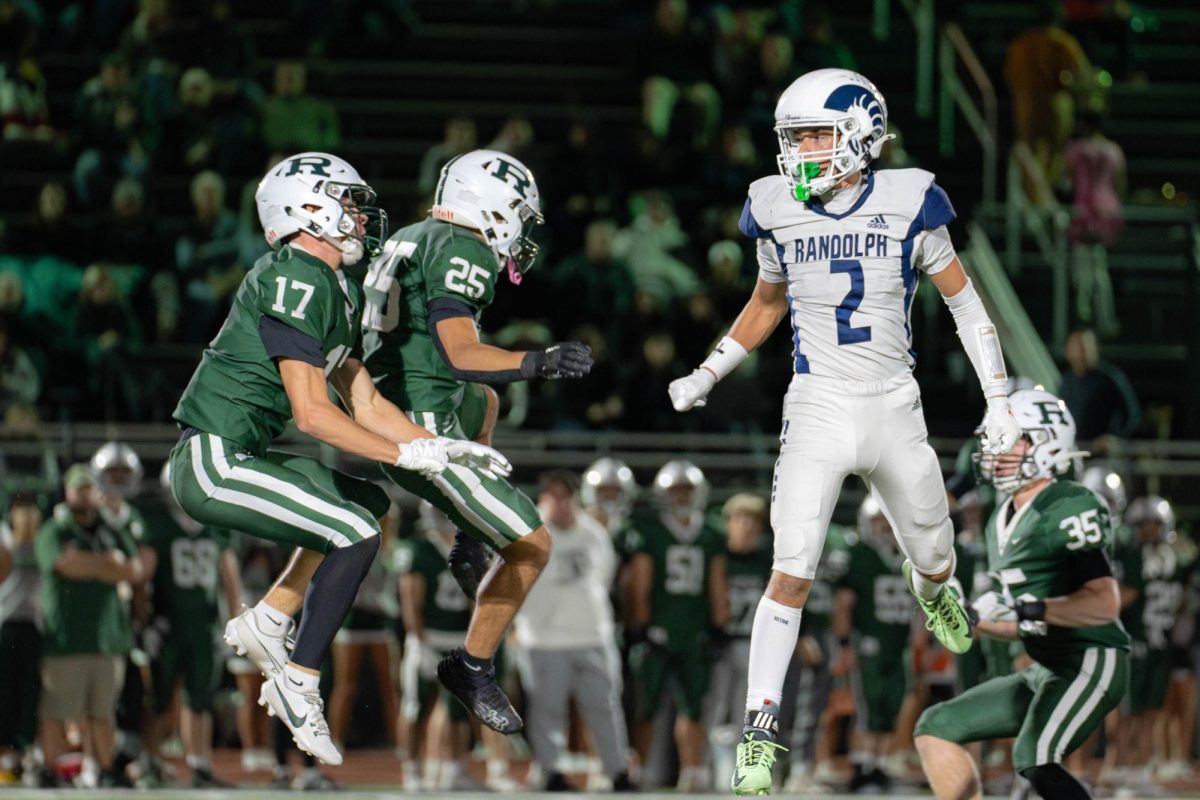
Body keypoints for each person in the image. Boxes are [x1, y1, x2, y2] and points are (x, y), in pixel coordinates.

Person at [666, 67, 1021, 795]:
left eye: (816, 135)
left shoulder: (909, 198)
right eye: (792, 139)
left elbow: (967, 306)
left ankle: (933, 588)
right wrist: (707, 372)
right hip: (818, 405)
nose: (800, 152)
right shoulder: (774, 207)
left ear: (862, 131)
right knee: (790, 569)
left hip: (893, 404)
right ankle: (759, 731)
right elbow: (765, 305)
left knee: (936, 551)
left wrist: (999, 396)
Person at [168, 151, 511, 767]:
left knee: (368, 504)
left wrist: (438, 446)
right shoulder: (293, 275)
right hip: (213, 461)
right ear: (306, 209)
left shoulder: (333, 286)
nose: (357, 215)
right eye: (345, 201)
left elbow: (364, 399)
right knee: (351, 530)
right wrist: (413, 455)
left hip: (244, 452)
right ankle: (299, 680)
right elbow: (314, 415)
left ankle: (270, 619)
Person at [359, 148, 593, 734]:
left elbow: (472, 380)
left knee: (486, 400)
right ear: (492, 206)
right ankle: (472, 665)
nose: (521, 232)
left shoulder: (415, 233)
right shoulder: (464, 247)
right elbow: (461, 354)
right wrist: (537, 361)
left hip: (390, 389)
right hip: (418, 420)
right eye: (520, 215)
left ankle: (468, 537)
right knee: (533, 546)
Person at [914, 388, 1129, 800]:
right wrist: (970, 618)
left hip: (1091, 659)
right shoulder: (1000, 519)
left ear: (1045, 443)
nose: (994, 452)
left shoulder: (1070, 504)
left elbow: (1104, 604)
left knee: (1035, 758)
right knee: (935, 727)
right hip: (1046, 667)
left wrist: (1034, 609)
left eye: (1007, 441)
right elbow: (1017, 623)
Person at [514, 470, 633, 791]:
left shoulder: (593, 533)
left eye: (566, 496)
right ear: (542, 499)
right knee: (547, 711)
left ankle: (616, 769)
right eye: (554, 496)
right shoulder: (527, 532)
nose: (561, 504)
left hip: (592, 635)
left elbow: (604, 579)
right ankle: (549, 770)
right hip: (542, 639)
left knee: (605, 707)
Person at [35, 463, 144, 788]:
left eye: (88, 488)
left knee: (103, 712)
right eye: (78, 488)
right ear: (67, 491)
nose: (84, 494)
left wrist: (94, 565)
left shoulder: (111, 528)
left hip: (109, 638)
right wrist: (108, 564)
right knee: (57, 710)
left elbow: (134, 569)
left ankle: (105, 769)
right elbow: (63, 564)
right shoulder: (54, 530)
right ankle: (52, 769)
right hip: (67, 637)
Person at [625, 460, 729, 791]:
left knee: (694, 705)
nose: (682, 497)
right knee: (647, 705)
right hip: (657, 628)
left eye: (688, 490)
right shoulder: (649, 531)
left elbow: (717, 582)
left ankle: (693, 770)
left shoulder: (711, 533)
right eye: (676, 490)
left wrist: (717, 624)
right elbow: (641, 582)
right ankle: (638, 768)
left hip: (694, 629)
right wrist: (641, 625)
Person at [142, 462, 242, 788]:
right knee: (159, 698)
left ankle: (199, 764)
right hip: (168, 625)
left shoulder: (215, 525)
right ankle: (152, 761)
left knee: (200, 699)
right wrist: (143, 621)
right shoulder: (157, 527)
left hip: (204, 626)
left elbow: (229, 578)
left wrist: (235, 621)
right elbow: (142, 578)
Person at [830, 496, 913, 794]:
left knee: (891, 705)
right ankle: (861, 766)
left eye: (890, 522)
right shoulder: (859, 554)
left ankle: (879, 765)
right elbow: (843, 603)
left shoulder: (908, 557)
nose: (886, 529)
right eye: (880, 522)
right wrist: (844, 642)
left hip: (898, 642)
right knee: (868, 706)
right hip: (868, 642)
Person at [1110, 494, 1185, 791]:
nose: (1149, 531)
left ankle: (1140, 767)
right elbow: (1120, 596)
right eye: (1143, 525)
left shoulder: (1175, 559)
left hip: (1161, 643)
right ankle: (1122, 765)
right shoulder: (1129, 557)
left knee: (1152, 710)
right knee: (1129, 709)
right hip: (1135, 641)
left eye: (1154, 524)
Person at [707, 494, 773, 790]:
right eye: (740, 519)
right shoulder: (716, 557)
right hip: (720, 643)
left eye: (754, 520)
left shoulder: (766, 561)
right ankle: (708, 771)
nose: (747, 526)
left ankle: (742, 770)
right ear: (728, 523)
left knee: (749, 713)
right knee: (714, 708)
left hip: (755, 645)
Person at [0, 492, 43, 783]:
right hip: (6, 623)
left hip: (35, 625)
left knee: (30, 692)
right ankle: (5, 752)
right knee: (5, 691)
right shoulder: (4, 537)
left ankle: (25, 749)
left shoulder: (45, 538)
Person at [1059, 328, 1140, 442]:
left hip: (1103, 452)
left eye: (1085, 347)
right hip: (1075, 447)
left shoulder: (1109, 378)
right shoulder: (1066, 381)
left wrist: (1115, 437)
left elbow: (1132, 414)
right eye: (1077, 348)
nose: (1081, 352)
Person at [581, 456, 639, 537]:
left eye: (614, 490)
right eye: (604, 489)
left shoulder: (633, 528)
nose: (608, 495)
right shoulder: (580, 525)